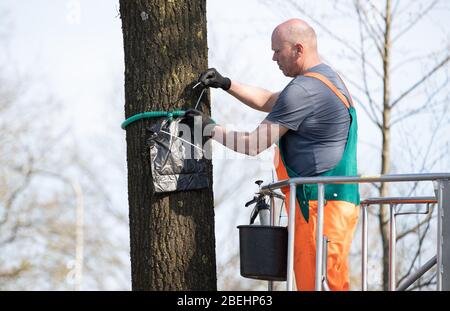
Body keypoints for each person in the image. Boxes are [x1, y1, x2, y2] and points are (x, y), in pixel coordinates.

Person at [185, 18, 360, 291]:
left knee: (319, 286)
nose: (273, 57)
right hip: (336, 205)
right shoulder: (327, 81)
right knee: (328, 283)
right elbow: (269, 100)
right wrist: (226, 83)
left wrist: (208, 129)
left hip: (317, 208)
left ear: (298, 49)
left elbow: (254, 144)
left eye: (278, 50)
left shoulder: (303, 91)